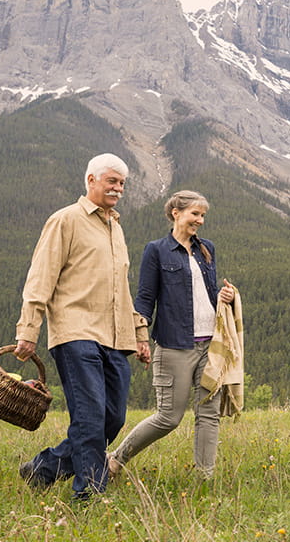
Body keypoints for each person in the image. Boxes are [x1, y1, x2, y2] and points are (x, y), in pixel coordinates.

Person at [15, 153, 150, 503]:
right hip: (75, 332)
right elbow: (41, 277)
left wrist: (140, 334)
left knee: (113, 418)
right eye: (111, 181)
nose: (118, 188)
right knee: (89, 418)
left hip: (116, 337)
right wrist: (28, 330)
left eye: (122, 183)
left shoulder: (115, 227)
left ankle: (44, 468)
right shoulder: (65, 220)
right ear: (90, 180)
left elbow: (122, 288)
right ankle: (89, 496)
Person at [107, 190, 237, 479]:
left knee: (208, 415)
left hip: (210, 345)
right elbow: (145, 298)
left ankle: (205, 478)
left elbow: (206, 294)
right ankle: (115, 461)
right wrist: (140, 337)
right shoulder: (156, 250)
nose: (200, 220)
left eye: (203, 215)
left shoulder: (207, 249)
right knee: (168, 417)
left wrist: (224, 296)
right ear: (176, 213)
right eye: (195, 214)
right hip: (174, 345)